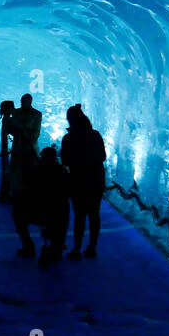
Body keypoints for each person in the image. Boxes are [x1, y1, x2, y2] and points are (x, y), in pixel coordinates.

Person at [60, 105, 106, 259]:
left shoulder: (69, 138)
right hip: (96, 179)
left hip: (78, 180)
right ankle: (92, 247)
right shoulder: (95, 135)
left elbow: (65, 160)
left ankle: (77, 249)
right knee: (94, 214)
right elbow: (102, 156)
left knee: (79, 216)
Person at [6, 93, 42, 204]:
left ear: (30, 102)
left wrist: (29, 140)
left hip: (29, 147)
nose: (22, 103)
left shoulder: (36, 114)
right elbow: (11, 129)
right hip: (18, 145)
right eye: (22, 101)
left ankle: (29, 193)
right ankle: (15, 192)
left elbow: (36, 132)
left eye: (24, 101)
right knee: (16, 169)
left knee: (29, 170)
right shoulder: (16, 112)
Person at [0, 99, 16, 203]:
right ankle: (7, 193)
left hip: (5, 148)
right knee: (8, 170)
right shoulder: (8, 120)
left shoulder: (5, 119)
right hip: (8, 148)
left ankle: (5, 192)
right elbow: (12, 133)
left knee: (6, 169)